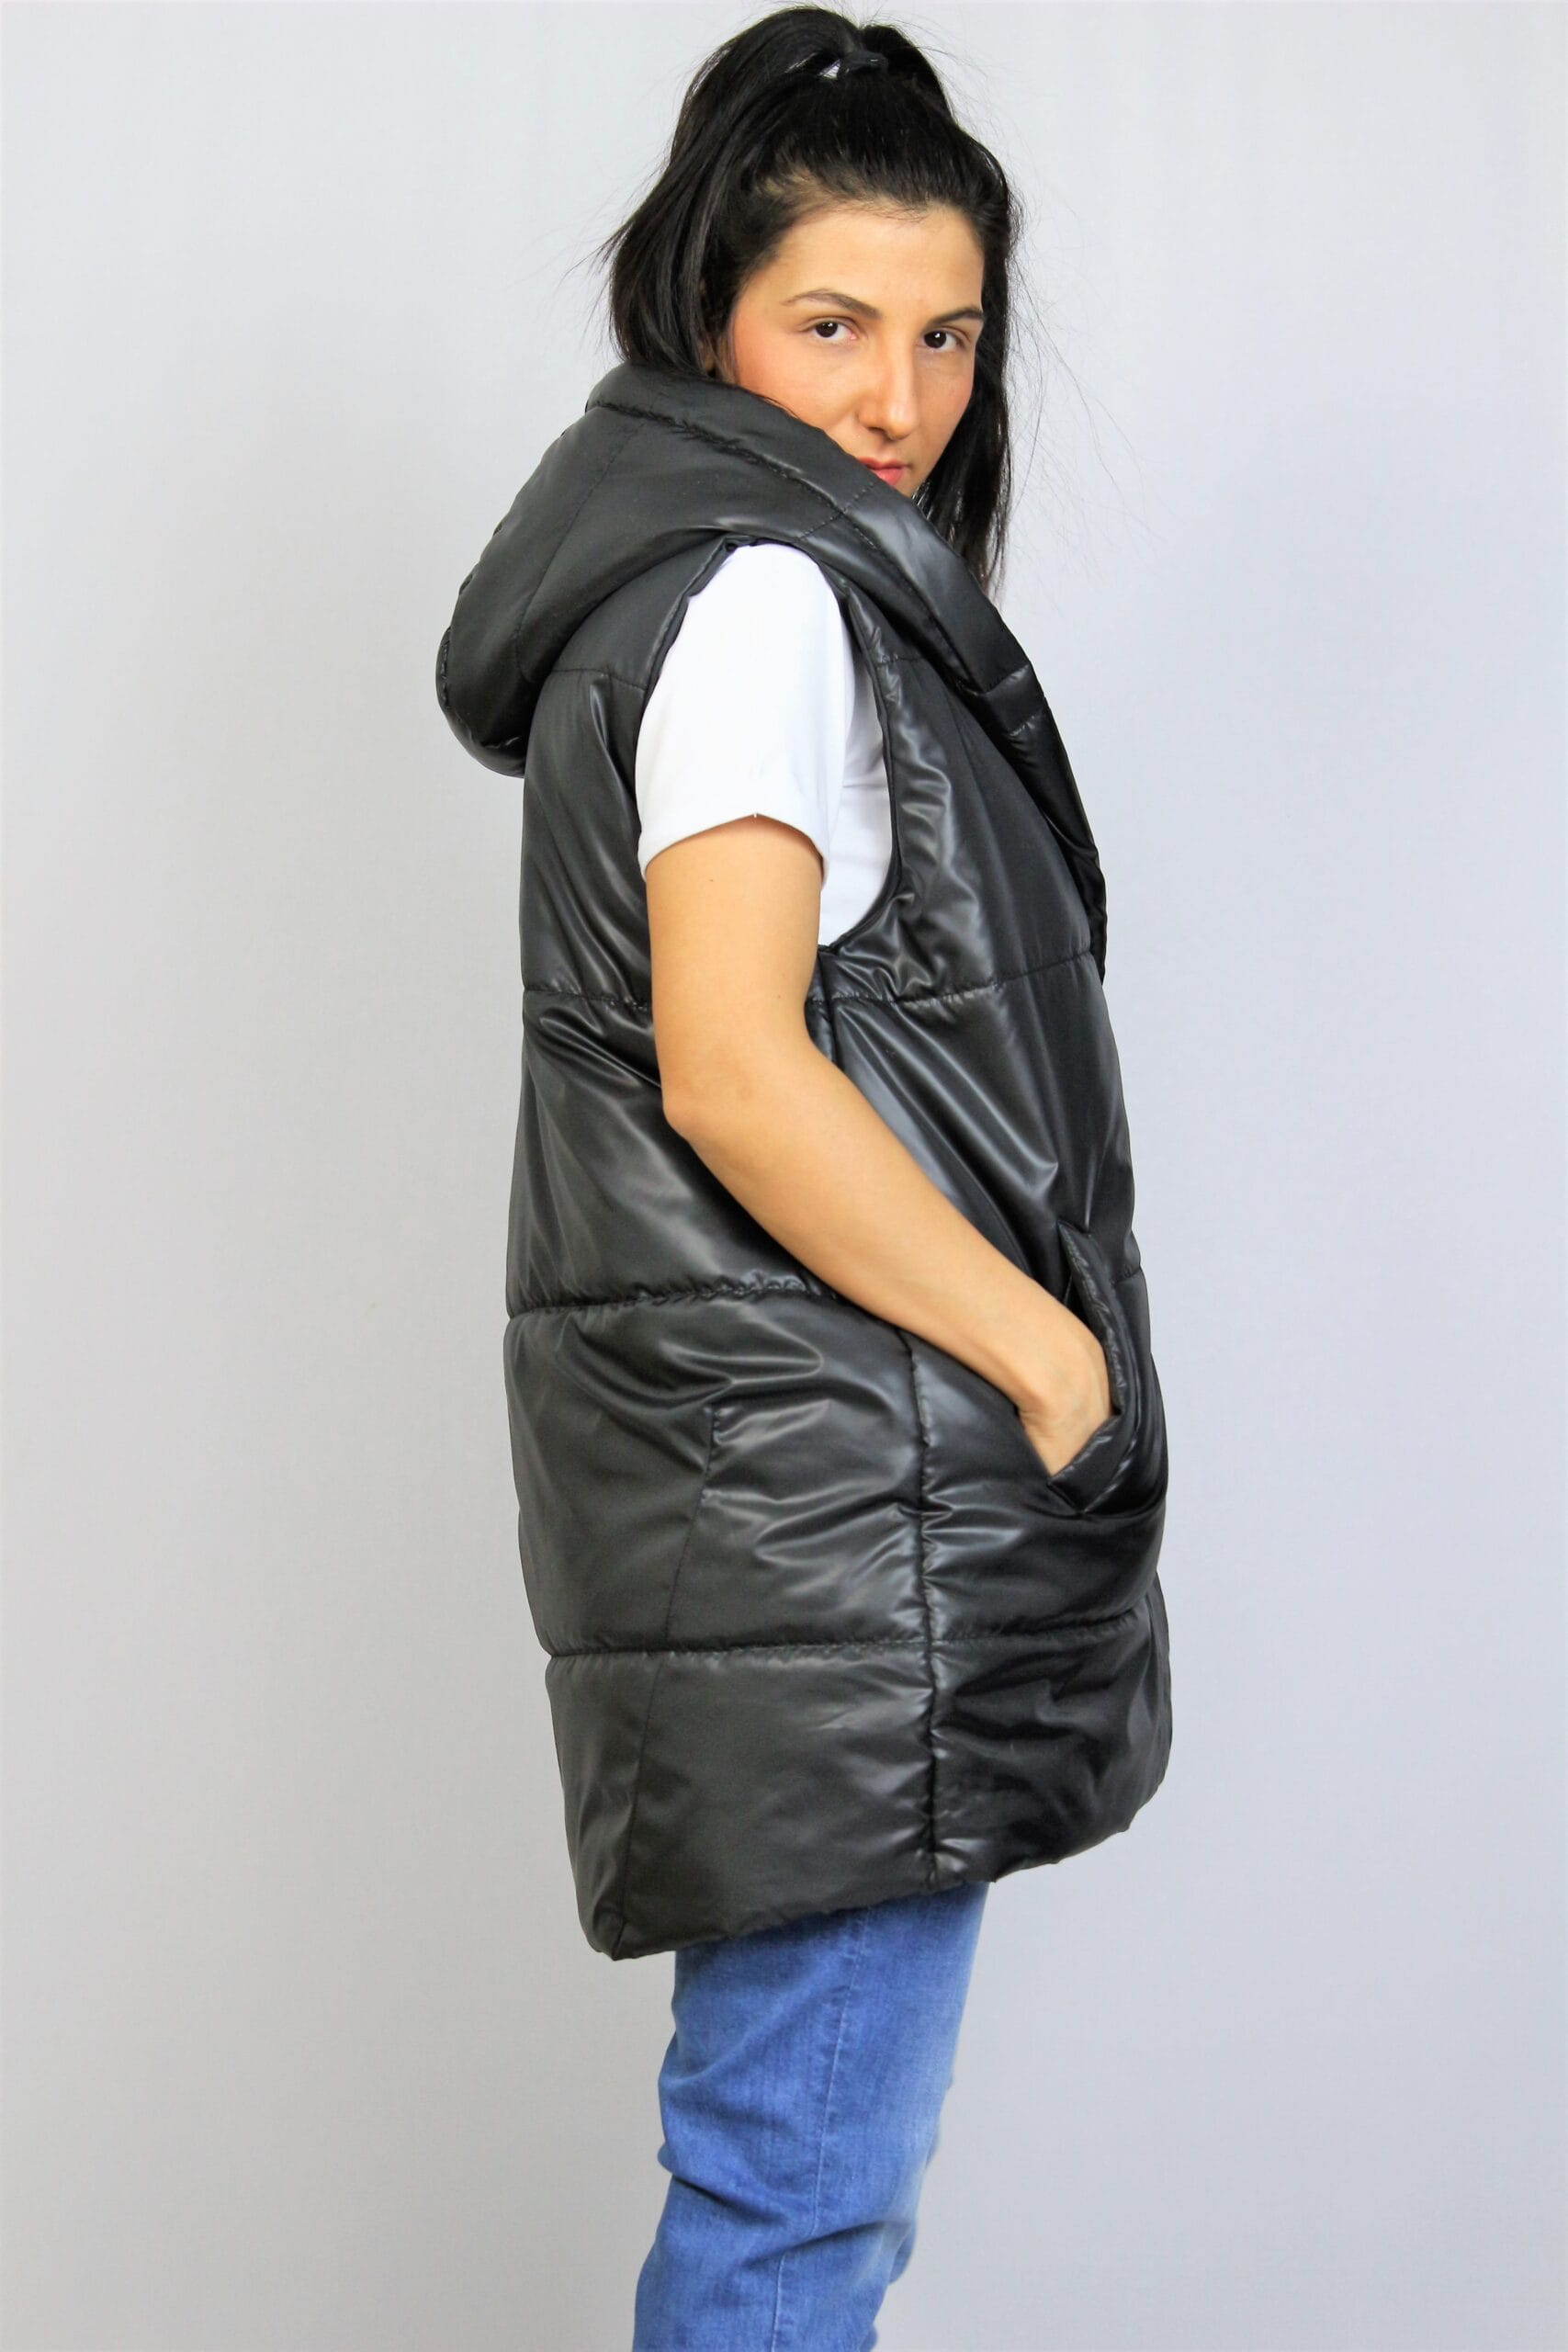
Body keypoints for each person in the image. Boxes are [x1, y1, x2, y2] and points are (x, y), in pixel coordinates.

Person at [435, 11, 1174, 2346]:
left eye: (944, 336)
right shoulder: (762, 602)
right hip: (845, 1534)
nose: (897, 399)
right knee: (797, 2206)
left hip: (787, 1519)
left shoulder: (706, 582)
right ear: (707, 314)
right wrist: (1045, 1354)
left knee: (788, 2181)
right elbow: (737, 1074)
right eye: (832, 325)